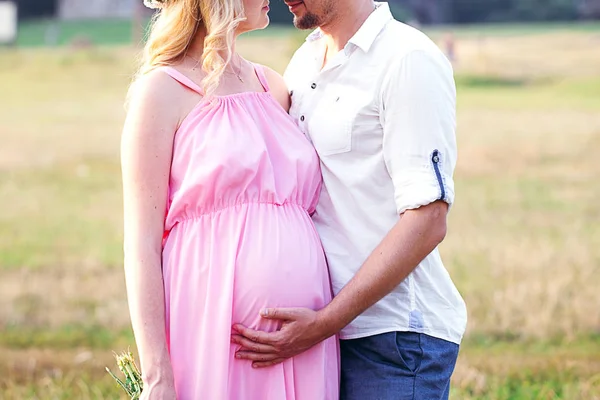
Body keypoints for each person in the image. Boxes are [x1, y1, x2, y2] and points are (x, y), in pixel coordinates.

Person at [231, 1, 468, 399]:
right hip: (322, 338)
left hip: (393, 340)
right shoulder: (304, 62)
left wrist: (325, 322)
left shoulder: (408, 60)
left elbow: (426, 220)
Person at [120, 0, 339, 398]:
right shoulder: (160, 92)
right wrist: (157, 377)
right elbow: (142, 246)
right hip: (211, 326)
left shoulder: (274, 85)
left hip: (306, 338)